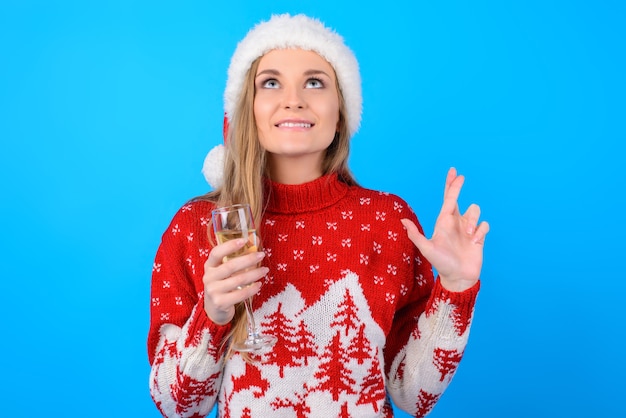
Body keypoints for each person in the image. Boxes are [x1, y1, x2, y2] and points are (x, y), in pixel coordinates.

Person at [147, 13, 489, 418]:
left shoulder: (388, 221)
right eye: (270, 82)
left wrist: (455, 287)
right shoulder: (198, 226)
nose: (294, 99)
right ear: (246, 107)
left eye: (315, 82)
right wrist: (213, 316)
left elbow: (411, 394)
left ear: (341, 111)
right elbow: (176, 406)